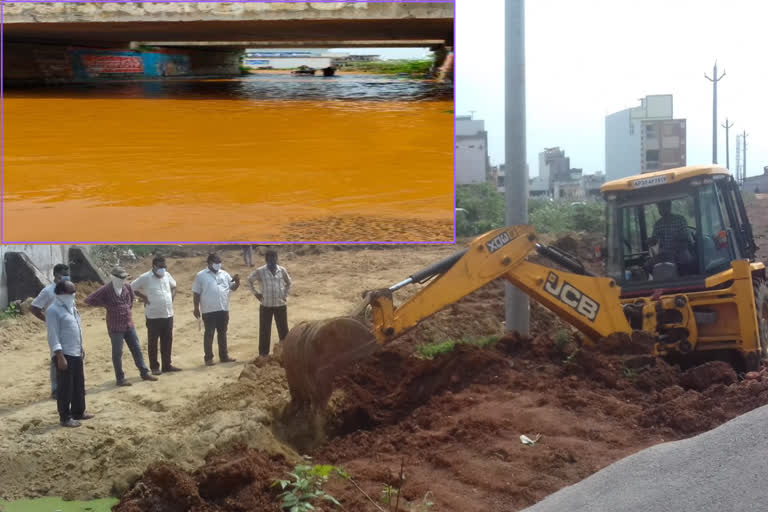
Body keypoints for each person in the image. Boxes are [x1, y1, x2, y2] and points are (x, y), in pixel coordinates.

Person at [85, 266, 158, 386]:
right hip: (115, 327)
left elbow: (131, 301)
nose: (123, 280)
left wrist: (125, 310)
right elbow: (89, 300)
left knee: (136, 349)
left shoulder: (127, 287)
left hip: (128, 324)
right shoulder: (106, 289)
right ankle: (120, 378)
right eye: (121, 277)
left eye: (124, 277)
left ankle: (144, 372)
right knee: (117, 353)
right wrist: (105, 304)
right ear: (114, 278)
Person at [46, 280, 94, 428]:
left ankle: (79, 411)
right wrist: (59, 356)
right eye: (70, 292)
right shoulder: (53, 310)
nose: (73, 295)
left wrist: (80, 347)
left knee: (78, 384)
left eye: (74, 292)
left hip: (76, 351)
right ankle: (65, 417)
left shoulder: (72, 307)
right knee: (65, 387)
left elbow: (76, 329)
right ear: (60, 294)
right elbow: (52, 335)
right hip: (64, 354)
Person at [131, 255, 181, 376]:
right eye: (160, 267)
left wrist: (172, 297)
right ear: (153, 266)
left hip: (168, 314)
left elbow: (174, 286)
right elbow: (131, 287)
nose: (163, 269)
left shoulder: (167, 275)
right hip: (153, 316)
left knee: (167, 341)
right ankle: (154, 367)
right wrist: (143, 297)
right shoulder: (145, 277)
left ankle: (167, 365)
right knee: (153, 342)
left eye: (164, 266)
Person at [30, 263, 71, 399]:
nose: (67, 276)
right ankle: (55, 389)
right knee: (56, 358)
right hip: (55, 329)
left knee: (71, 356)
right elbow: (34, 307)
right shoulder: (48, 291)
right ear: (57, 275)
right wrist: (47, 320)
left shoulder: (69, 289)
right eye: (65, 273)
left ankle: (69, 386)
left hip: (69, 329)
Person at [192, 253, 240, 366]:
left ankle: (224, 356)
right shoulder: (201, 276)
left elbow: (232, 287)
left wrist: (237, 282)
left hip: (223, 308)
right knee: (209, 333)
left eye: (219, 262)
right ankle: (208, 358)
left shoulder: (224, 274)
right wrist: (195, 307)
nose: (218, 264)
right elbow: (196, 293)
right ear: (209, 263)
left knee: (222, 333)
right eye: (216, 262)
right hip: (209, 310)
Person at [248, 249, 292, 358]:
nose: (272, 262)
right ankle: (263, 354)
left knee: (283, 330)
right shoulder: (260, 271)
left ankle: (285, 352)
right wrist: (256, 293)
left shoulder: (282, 270)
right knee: (264, 330)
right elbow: (249, 280)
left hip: (280, 304)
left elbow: (289, 282)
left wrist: (285, 294)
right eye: (269, 260)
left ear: (277, 259)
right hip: (266, 305)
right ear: (266, 260)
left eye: (274, 259)